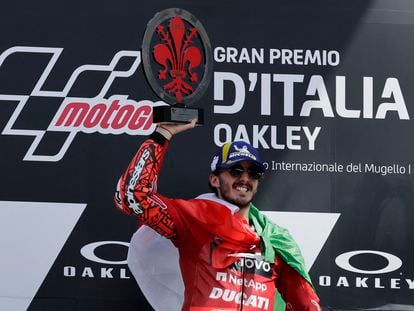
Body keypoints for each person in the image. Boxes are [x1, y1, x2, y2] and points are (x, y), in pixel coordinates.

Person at [115, 120, 320, 311]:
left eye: (253, 173)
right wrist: (163, 134)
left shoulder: (275, 239)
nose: (244, 179)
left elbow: (305, 303)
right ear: (214, 179)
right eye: (235, 171)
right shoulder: (194, 218)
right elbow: (132, 195)